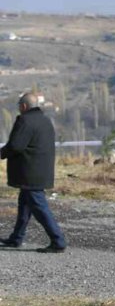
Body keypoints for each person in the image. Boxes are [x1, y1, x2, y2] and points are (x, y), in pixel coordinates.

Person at [0, 91, 67, 253]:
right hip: (40, 171)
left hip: (29, 172)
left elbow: (16, 146)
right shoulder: (45, 121)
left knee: (39, 207)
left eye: (19, 106)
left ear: (23, 106)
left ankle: (58, 240)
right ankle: (16, 238)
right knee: (24, 204)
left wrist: (1, 153)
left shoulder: (24, 121)